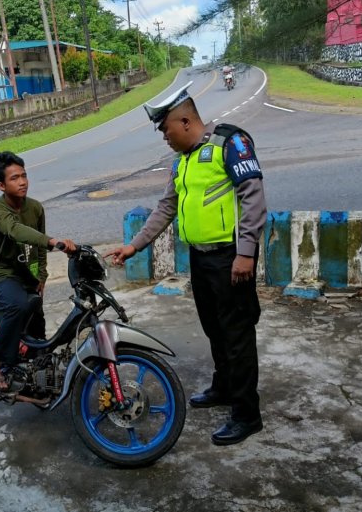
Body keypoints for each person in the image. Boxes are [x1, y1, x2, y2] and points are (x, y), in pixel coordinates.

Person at [105, 81, 267, 446]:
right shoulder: (184, 162)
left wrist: (245, 252)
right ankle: (224, 388)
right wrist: (134, 246)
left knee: (237, 336)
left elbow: (253, 196)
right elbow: (166, 207)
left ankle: (247, 414)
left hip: (231, 259)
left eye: (166, 130)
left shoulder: (230, 143)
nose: (165, 138)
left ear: (184, 122)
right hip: (201, 259)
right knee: (214, 328)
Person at [0, 151, 76, 391]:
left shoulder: (35, 208)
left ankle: (38, 370)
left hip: (28, 276)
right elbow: (16, 231)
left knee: (37, 319)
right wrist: (52, 240)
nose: (22, 182)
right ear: (1, 185)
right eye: (14, 178)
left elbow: (39, 248)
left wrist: (42, 276)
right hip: (3, 276)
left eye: (24, 175)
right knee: (18, 306)